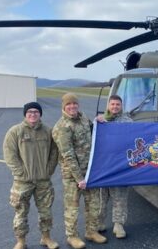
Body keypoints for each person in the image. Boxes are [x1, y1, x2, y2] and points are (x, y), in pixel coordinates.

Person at [52, 93, 106, 249]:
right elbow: (67, 154)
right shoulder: (62, 126)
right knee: (72, 208)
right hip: (73, 176)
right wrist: (79, 178)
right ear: (64, 107)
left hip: (90, 172)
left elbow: (93, 132)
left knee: (94, 205)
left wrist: (97, 121)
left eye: (74, 104)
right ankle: (72, 236)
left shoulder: (83, 119)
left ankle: (91, 231)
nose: (72, 107)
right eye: (68, 105)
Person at [3, 102, 59, 249]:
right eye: (30, 112)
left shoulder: (48, 131)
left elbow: (54, 152)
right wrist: (21, 173)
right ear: (25, 114)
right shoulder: (15, 131)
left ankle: (46, 238)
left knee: (46, 211)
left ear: (40, 114)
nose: (33, 114)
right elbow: (10, 155)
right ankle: (21, 241)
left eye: (36, 111)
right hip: (22, 182)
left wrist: (49, 170)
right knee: (21, 212)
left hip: (43, 180)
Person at [95, 94, 132, 239]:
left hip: (121, 165)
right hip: (104, 164)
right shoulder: (101, 120)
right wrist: (96, 122)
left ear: (121, 106)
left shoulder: (128, 122)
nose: (115, 107)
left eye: (118, 104)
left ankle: (118, 224)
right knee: (101, 197)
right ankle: (99, 222)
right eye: (112, 104)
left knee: (120, 197)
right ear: (108, 105)